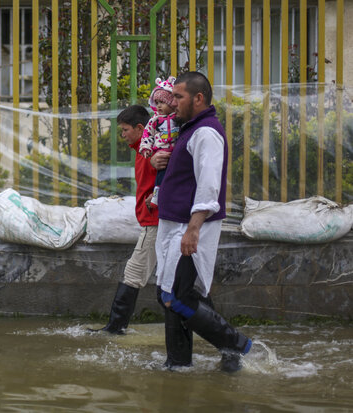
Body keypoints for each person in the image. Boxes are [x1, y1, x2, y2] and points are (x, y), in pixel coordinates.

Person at [155, 71, 252, 372]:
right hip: (176, 226)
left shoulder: (206, 132)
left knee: (176, 297)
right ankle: (179, 363)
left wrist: (193, 229)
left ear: (198, 98)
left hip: (190, 227)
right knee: (172, 294)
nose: (173, 103)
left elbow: (209, 187)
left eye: (179, 97)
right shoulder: (190, 129)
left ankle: (235, 344)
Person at [90, 105, 159, 334]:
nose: (123, 135)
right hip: (152, 220)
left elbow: (170, 175)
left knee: (133, 273)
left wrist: (158, 196)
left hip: (155, 221)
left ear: (141, 128)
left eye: (126, 130)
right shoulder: (143, 150)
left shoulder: (154, 151)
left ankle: (115, 328)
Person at [139, 76, 179, 207]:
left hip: (175, 152)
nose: (159, 105)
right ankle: (157, 196)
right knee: (160, 177)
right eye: (156, 102)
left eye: (162, 102)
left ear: (171, 102)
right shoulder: (155, 120)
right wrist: (146, 147)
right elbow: (147, 134)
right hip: (161, 152)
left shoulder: (178, 118)